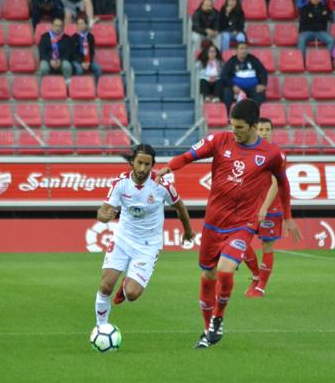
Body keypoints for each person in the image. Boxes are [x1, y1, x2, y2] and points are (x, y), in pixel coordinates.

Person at [156, 99, 301, 348]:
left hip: (243, 223)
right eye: (232, 126)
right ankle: (207, 330)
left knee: (225, 268)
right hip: (213, 222)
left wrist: (287, 215)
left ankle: (218, 319)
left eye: (240, 127)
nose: (235, 131)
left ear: (254, 126)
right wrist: (168, 167)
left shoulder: (271, 154)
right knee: (207, 275)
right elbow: (188, 156)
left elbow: (283, 183)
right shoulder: (219, 140)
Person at [95, 144, 195, 327]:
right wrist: (104, 217)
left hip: (148, 245)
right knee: (105, 286)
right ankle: (101, 327)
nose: (142, 168)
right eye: (139, 163)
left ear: (152, 165)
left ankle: (126, 285)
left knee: (132, 294)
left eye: (147, 164)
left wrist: (188, 231)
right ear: (132, 162)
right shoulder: (120, 183)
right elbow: (102, 212)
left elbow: (180, 207)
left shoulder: (161, 185)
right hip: (123, 239)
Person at [242, 118, 286, 298]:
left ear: (272, 131)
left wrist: (264, 208)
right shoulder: (248, 152)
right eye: (261, 129)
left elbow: (276, 184)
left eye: (268, 129)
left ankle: (261, 287)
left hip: (271, 208)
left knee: (267, 246)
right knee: (241, 243)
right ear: (255, 130)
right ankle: (255, 274)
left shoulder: (277, 154)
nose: (264, 132)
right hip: (250, 207)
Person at [221, 42, 268, 112]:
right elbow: (224, 75)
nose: (244, 51)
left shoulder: (253, 59)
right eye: (241, 48)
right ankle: (229, 115)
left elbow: (263, 71)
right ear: (237, 50)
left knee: (260, 94)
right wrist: (233, 86)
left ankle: (255, 117)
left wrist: (263, 84)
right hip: (237, 89)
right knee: (226, 92)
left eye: (245, 48)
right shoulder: (232, 61)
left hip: (253, 88)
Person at [38, 17, 73, 82]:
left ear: (62, 27)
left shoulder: (67, 38)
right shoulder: (44, 37)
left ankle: (67, 85)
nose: (58, 28)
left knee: (67, 65)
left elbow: (68, 53)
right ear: (52, 26)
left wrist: (60, 60)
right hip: (48, 60)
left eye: (60, 26)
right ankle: (45, 84)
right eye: (56, 25)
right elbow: (42, 52)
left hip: (61, 60)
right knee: (43, 67)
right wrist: (50, 60)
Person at [71, 17, 103, 83]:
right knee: (79, 69)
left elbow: (92, 51)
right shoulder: (73, 38)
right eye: (78, 24)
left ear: (85, 25)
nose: (80, 25)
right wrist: (81, 62)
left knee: (98, 68)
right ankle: (77, 87)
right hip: (77, 61)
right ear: (76, 26)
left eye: (82, 23)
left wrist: (88, 62)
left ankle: (96, 88)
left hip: (88, 61)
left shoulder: (90, 37)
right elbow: (73, 54)